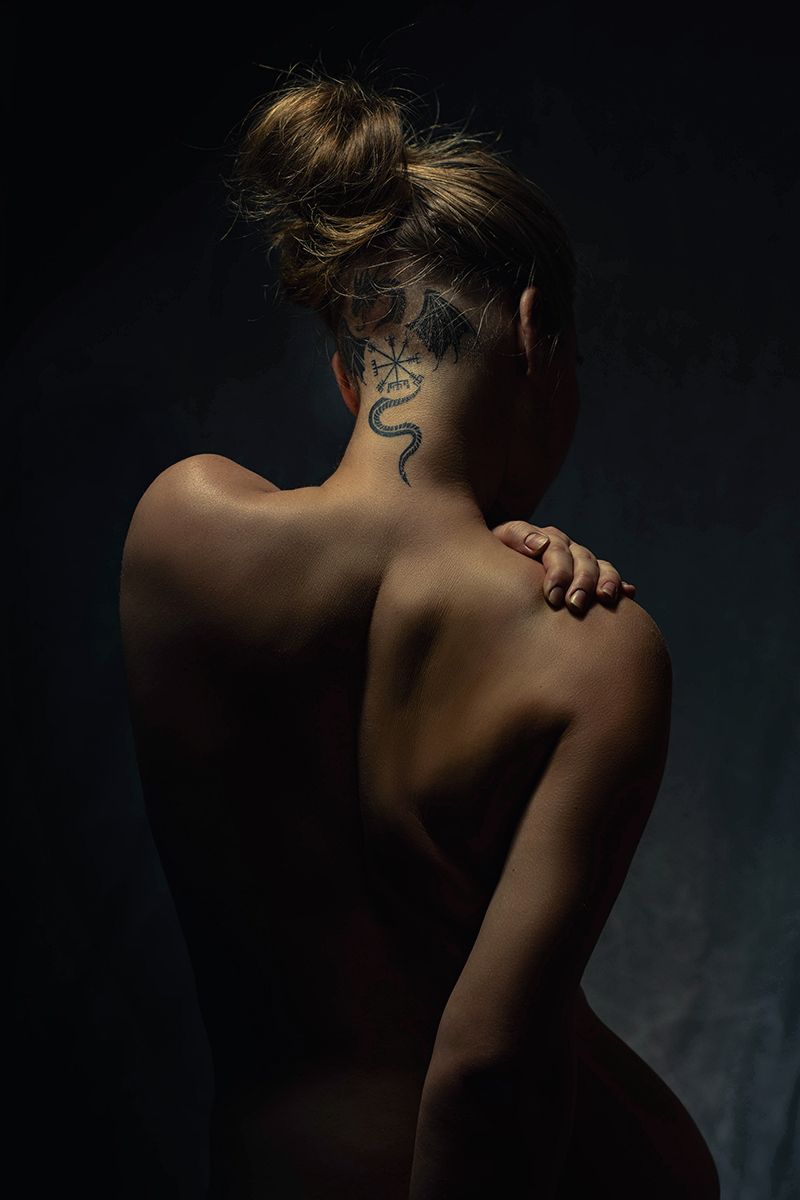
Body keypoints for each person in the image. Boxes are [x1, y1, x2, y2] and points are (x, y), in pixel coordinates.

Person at [119, 70, 720, 1199]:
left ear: (349, 375)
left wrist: (476, 539)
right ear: (537, 337)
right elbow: (489, 1070)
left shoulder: (178, 527)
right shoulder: (589, 647)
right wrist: (501, 569)